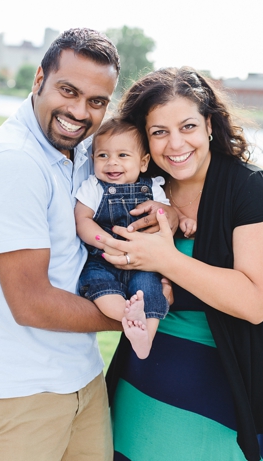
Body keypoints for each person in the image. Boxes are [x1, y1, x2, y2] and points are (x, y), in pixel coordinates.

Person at [0, 28, 175, 461]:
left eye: (96, 101)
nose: (78, 111)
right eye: (67, 91)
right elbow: (30, 302)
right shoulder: (13, 163)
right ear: (39, 80)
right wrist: (140, 317)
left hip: (81, 378)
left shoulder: (87, 148)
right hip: (17, 394)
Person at [97, 67, 263, 461]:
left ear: (209, 125)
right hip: (141, 392)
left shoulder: (250, 187)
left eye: (188, 126)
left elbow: (255, 302)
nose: (175, 143)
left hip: (228, 398)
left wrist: (166, 258)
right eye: (159, 131)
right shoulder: (141, 187)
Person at [75, 118, 193, 359]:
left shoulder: (153, 188)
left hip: (144, 265)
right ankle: (128, 317)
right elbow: (82, 220)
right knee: (101, 289)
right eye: (103, 156)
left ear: (143, 162)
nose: (112, 162)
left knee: (151, 293)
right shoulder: (94, 187)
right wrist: (103, 241)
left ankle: (144, 339)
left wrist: (182, 220)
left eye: (122, 155)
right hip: (103, 260)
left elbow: (164, 214)